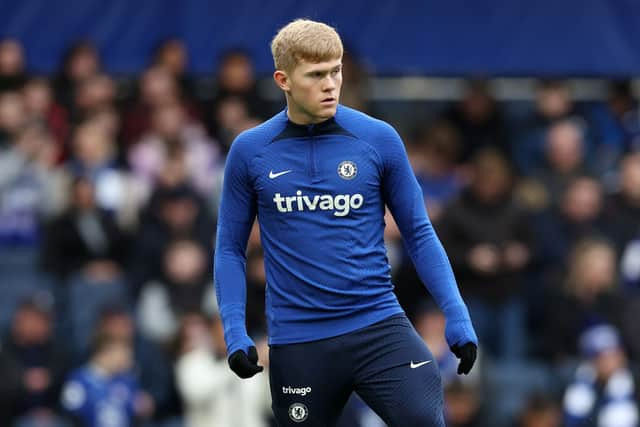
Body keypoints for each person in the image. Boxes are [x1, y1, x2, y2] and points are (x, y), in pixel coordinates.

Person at [214, 19, 478, 427]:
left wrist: (456, 313)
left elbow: (419, 232)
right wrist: (235, 331)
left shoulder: (379, 139)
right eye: (316, 75)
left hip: (378, 326)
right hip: (299, 342)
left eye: (336, 71)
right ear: (283, 79)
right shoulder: (250, 151)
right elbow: (230, 248)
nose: (330, 84)